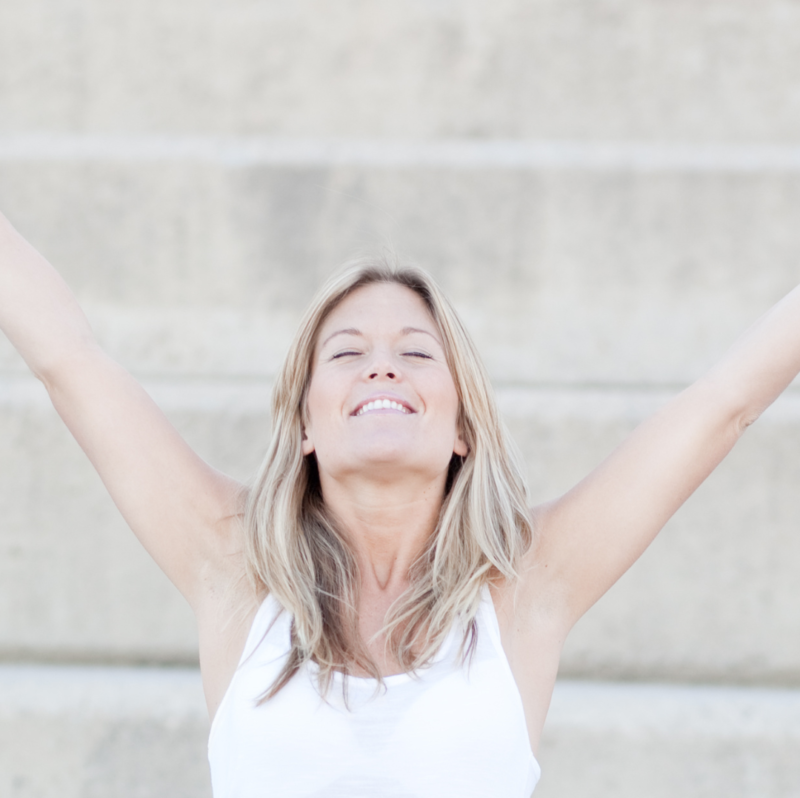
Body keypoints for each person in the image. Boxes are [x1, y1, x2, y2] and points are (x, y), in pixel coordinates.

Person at [2, 207, 800, 797]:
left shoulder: (525, 584)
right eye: (346, 353)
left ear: (462, 426)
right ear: (305, 423)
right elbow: (70, 359)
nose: (381, 368)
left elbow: (722, 405)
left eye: (416, 353)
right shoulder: (235, 567)